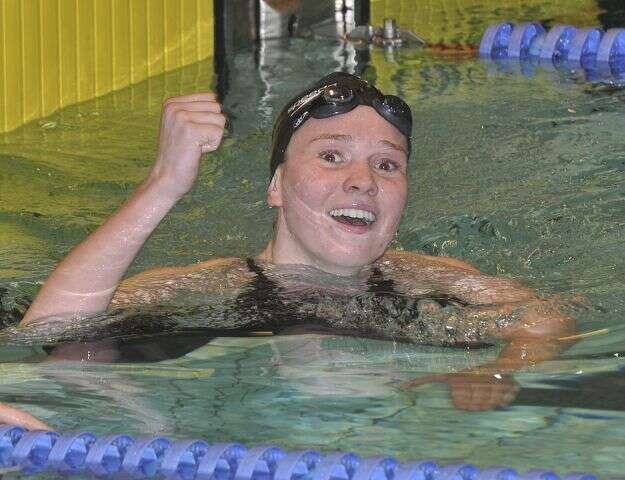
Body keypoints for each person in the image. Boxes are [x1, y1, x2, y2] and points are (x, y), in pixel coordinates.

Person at [5, 72, 574, 429]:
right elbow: (51, 332)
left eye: (387, 164)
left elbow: (546, 319)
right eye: (331, 156)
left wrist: (499, 370)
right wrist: (164, 185)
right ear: (276, 186)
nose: (362, 181)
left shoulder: (427, 278)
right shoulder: (214, 286)